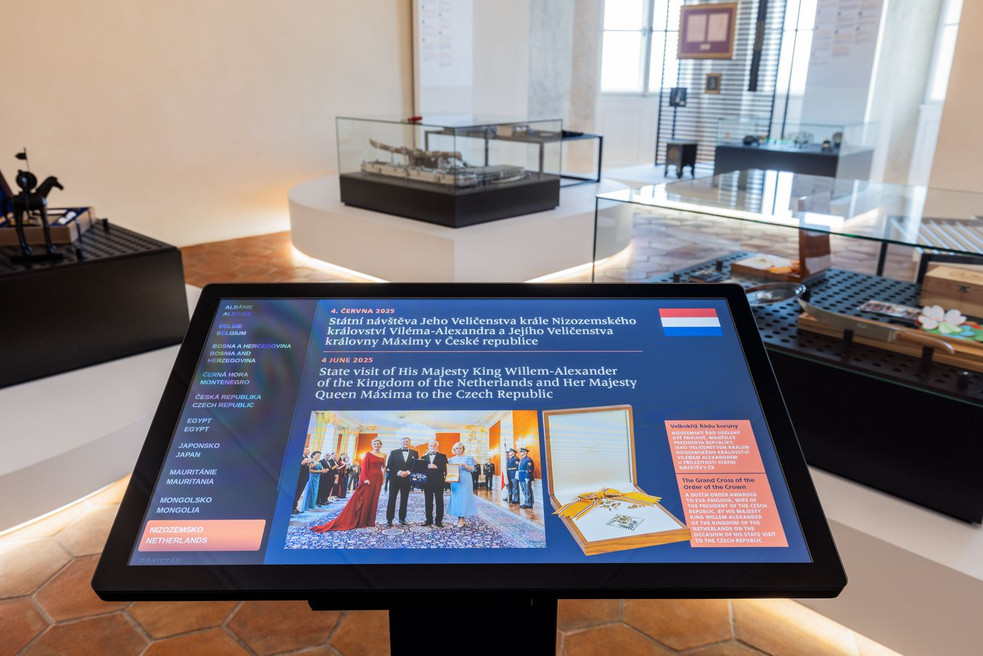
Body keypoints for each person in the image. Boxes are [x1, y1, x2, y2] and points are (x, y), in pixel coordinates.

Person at [312, 438, 386, 532]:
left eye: (378, 444)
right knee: (366, 499)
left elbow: (384, 467)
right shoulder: (368, 454)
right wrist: (365, 479)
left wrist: (383, 478)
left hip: (378, 479)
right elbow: (364, 467)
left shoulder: (384, 455)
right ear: (372, 445)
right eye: (375, 444)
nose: (377, 445)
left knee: (374, 499)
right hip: (369, 479)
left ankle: (370, 521)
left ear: (381, 445)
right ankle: (362, 521)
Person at [386, 437, 418, 526]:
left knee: (404, 499)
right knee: (392, 499)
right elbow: (389, 465)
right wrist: (399, 472)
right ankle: (389, 519)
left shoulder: (415, 453)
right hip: (395, 479)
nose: (405, 443)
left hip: (407, 479)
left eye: (407, 441)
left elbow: (415, 465)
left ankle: (402, 519)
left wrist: (408, 472)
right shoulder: (394, 452)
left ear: (410, 443)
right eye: (404, 441)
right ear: (401, 443)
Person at [447, 442, 477, 527]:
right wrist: (449, 478)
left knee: (464, 498)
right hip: (455, 480)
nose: (458, 449)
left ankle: (462, 519)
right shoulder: (451, 459)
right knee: (456, 498)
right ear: (454, 450)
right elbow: (449, 470)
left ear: (463, 449)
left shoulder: (468, 457)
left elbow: (472, 470)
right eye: (456, 448)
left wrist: (465, 466)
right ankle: (458, 518)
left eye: (460, 448)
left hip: (465, 480)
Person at [420, 439, 448, 527]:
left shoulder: (443, 456)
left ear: (437, 447)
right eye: (431, 445)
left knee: (439, 501)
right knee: (428, 501)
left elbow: (446, 468)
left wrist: (436, 466)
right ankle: (428, 520)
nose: (432, 447)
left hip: (439, 482)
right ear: (428, 447)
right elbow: (420, 470)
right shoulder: (423, 457)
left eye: (434, 445)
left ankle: (438, 521)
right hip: (427, 482)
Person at [292, 447, 312, 515]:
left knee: (299, 493)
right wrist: (302, 463)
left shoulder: (307, 458)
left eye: (309, 450)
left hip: (304, 478)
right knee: (296, 493)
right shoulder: (299, 457)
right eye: (306, 450)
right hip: (299, 478)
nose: (308, 451)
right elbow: (295, 466)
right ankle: (292, 508)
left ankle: (295, 507)